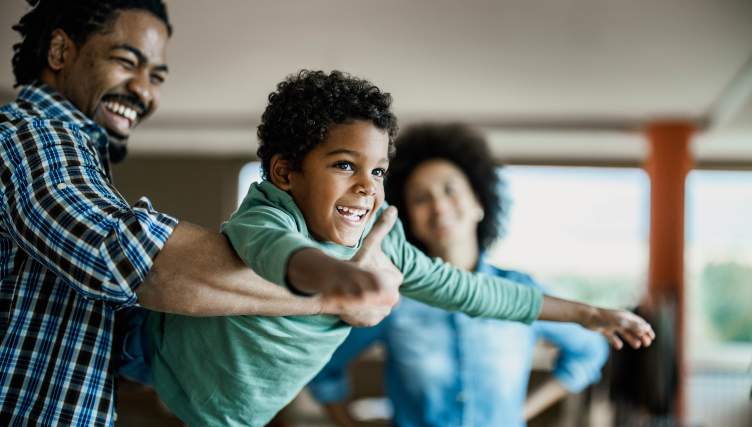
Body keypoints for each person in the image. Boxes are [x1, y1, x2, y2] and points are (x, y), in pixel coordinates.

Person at [145, 70, 654, 426]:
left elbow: (479, 293)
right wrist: (334, 279)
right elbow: (277, 253)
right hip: (158, 360)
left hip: (230, 413)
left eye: (379, 171)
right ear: (285, 173)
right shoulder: (269, 213)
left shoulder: (385, 246)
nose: (368, 186)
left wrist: (587, 313)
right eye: (345, 165)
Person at [0, 2, 400, 425]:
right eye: (125, 62)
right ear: (60, 52)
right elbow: (132, 261)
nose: (144, 91)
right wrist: (339, 293)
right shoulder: (29, 137)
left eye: (155, 77)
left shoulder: (76, 158)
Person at [309, 123, 612, 427]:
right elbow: (323, 367)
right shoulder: (391, 295)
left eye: (450, 190)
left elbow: (589, 352)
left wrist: (517, 415)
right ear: (408, 219)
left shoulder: (519, 289)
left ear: (479, 203)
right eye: (420, 198)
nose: (438, 205)